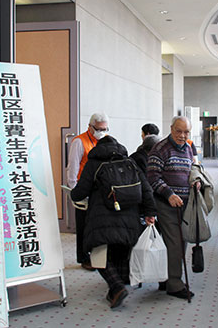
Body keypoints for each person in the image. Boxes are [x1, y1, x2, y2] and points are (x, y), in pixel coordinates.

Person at [70, 136, 157, 309]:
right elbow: (146, 188)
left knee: (98, 254)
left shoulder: (93, 164)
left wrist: (72, 194)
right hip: (130, 217)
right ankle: (121, 282)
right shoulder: (129, 162)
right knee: (121, 249)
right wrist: (150, 212)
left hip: (101, 218)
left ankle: (116, 287)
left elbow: (80, 192)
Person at [147, 116, 198, 299]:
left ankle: (166, 279)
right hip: (165, 203)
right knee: (175, 243)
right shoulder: (159, 149)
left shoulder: (188, 149)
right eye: (179, 131)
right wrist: (169, 194)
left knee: (180, 241)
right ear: (171, 128)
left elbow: (191, 170)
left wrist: (195, 182)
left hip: (184, 203)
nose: (182, 136)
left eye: (186, 132)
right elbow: (152, 178)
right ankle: (175, 285)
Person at [66, 112, 109, 270]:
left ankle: (96, 256)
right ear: (90, 127)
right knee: (83, 224)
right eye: (98, 129)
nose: (102, 131)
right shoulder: (79, 142)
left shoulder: (105, 141)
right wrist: (74, 191)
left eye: (104, 129)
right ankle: (83, 257)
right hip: (83, 189)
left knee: (96, 224)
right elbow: (72, 168)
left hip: (99, 190)